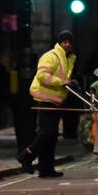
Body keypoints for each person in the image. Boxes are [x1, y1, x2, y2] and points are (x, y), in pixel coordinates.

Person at [17, 30, 77, 178]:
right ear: (59, 42)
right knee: (46, 133)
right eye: (64, 41)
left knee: (51, 136)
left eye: (69, 41)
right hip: (45, 98)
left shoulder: (68, 58)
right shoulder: (51, 56)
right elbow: (43, 76)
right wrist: (63, 83)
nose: (67, 44)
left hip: (55, 100)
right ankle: (26, 155)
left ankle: (46, 168)